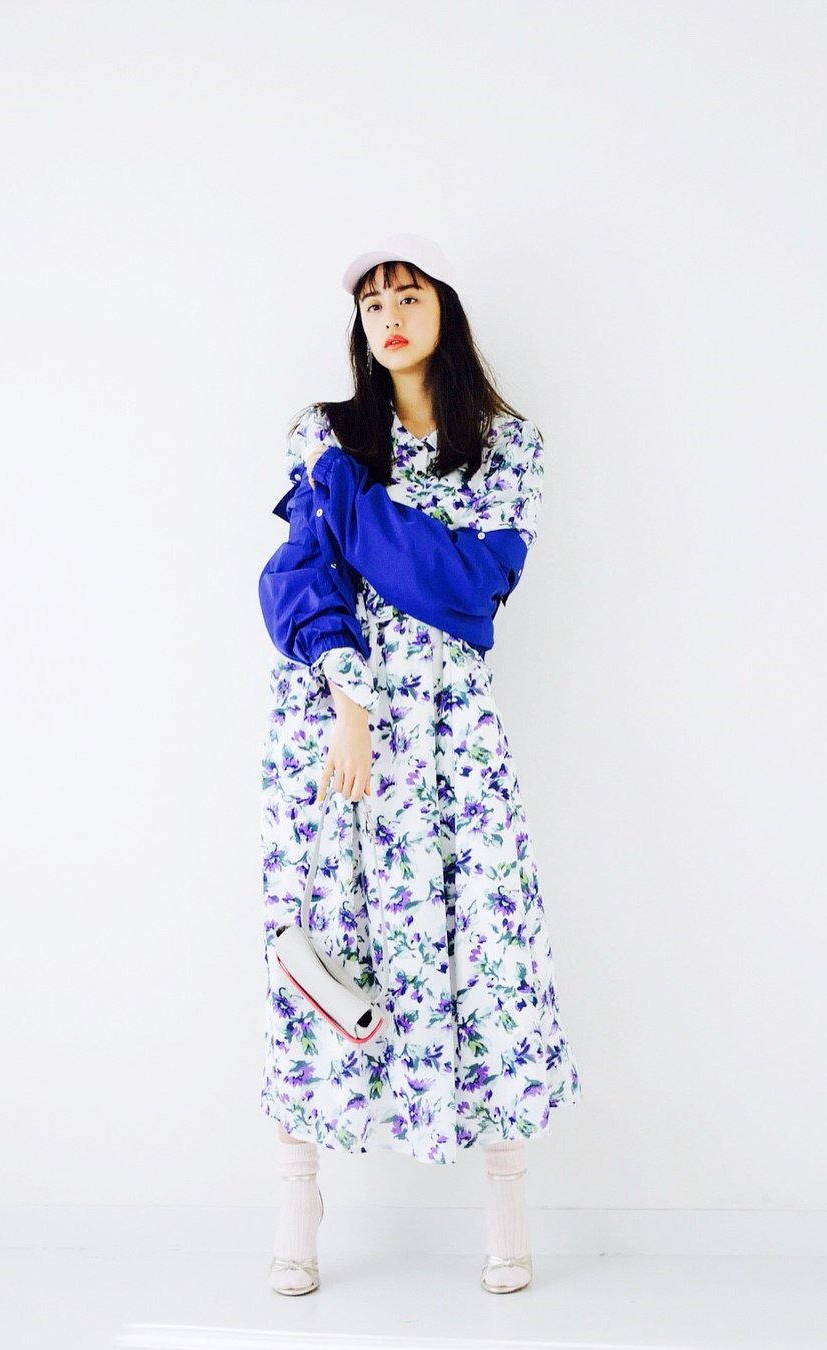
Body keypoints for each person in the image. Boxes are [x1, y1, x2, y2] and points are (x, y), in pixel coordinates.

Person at [257, 233, 583, 1297]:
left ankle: (508, 1206)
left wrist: (349, 505)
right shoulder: (325, 432)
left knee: (486, 946)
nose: (390, 316)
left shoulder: (509, 447)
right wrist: (351, 700)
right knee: (321, 949)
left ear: (444, 307)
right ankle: (296, 1208)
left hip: (453, 739)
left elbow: (470, 589)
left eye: (409, 295)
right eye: (373, 303)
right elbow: (296, 581)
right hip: (335, 727)